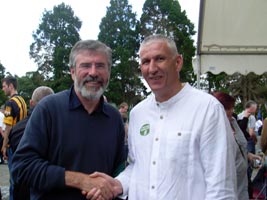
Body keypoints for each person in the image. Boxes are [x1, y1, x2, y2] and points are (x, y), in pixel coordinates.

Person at [87, 34, 237, 199]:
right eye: (146, 62)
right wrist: (119, 184)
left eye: (159, 59)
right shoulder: (138, 113)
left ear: (178, 62)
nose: (152, 69)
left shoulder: (207, 109)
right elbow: (137, 167)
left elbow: (221, 187)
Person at [11, 40, 125, 200]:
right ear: (72, 72)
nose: (93, 72)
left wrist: (110, 188)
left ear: (109, 72)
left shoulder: (114, 119)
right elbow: (22, 167)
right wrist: (80, 180)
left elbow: (120, 172)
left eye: (100, 66)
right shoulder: (48, 109)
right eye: (85, 65)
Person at [212, 91, 262, 200]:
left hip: (243, 181)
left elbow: (238, 145)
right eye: (228, 108)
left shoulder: (233, 121)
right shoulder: (213, 129)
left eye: (232, 107)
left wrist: (248, 155)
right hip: (229, 186)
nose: (232, 111)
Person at [9, 86, 54, 200]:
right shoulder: (60, 128)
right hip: (49, 187)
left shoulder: (17, 128)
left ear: (31, 102)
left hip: (22, 188)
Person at [1, 76, 27, 200]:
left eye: (4, 86)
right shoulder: (22, 100)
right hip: (23, 141)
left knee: (13, 179)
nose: (3, 89)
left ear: (11, 86)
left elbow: (8, 126)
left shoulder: (10, 103)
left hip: (14, 143)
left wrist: (4, 145)